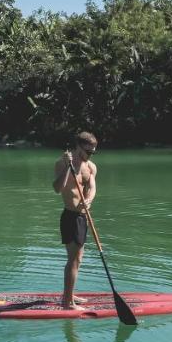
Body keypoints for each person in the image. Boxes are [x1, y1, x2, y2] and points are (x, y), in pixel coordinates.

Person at [52, 131, 98, 309]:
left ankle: (69, 294)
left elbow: (93, 187)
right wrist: (67, 167)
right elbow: (57, 188)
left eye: (93, 152)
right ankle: (67, 302)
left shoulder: (91, 167)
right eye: (88, 151)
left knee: (78, 260)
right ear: (78, 147)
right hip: (70, 216)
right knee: (72, 260)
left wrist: (89, 200)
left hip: (83, 217)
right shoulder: (61, 163)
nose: (90, 155)